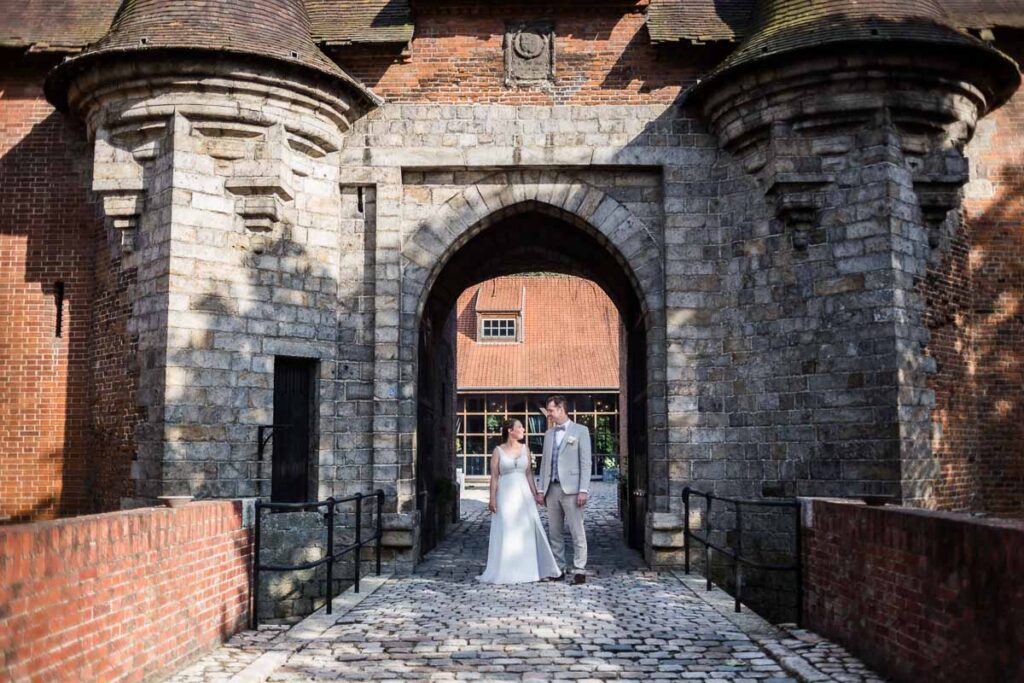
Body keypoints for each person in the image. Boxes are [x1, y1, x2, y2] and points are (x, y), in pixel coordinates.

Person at [477, 418, 562, 584]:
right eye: (520, 427)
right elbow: (495, 477)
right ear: (510, 430)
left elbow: (529, 473)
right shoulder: (498, 451)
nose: (523, 429)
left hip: (524, 495)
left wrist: (536, 493)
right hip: (506, 495)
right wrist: (492, 498)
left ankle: (529, 570)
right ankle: (506, 570)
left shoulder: (525, 448)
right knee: (508, 530)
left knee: (527, 529)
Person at [536, 395, 591, 585]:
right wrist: (541, 490)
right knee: (555, 532)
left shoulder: (581, 431)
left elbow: (586, 463)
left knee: (577, 531)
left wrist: (583, 489)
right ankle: (558, 568)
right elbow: (544, 464)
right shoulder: (548, 434)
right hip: (552, 489)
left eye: (551, 410)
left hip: (573, 490)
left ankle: (579, 569)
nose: (549, 414)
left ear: (561, 409)